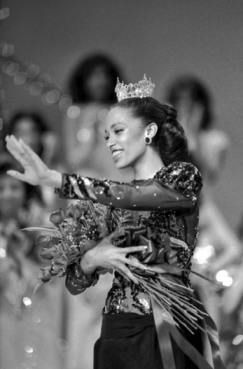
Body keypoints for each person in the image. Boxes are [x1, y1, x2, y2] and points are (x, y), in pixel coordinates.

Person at [5, 76, 226, 369]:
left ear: (149, 132)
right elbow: (74, 282)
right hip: (115, 331)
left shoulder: (182, 178)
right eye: (106, 133)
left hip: (165, 327)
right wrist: (92, 259)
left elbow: (135, 195)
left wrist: (55, 179)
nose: (108, 140)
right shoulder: (113, 205)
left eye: (118, 130)